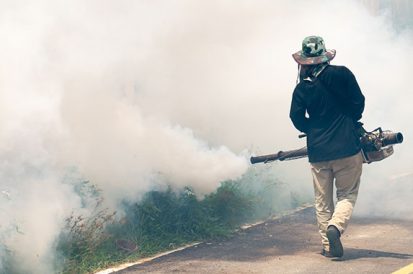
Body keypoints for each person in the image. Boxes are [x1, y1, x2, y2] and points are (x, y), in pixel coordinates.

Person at [289, 36, 365, 258]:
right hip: (347, 147)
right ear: (324, 57)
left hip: (318, 151)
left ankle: (327, 245)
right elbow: (358, 102)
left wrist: (311, 129)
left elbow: (295, 117)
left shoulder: (302, 88)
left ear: (304, 61)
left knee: (322, 201)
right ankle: (336, 228)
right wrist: (350, 120)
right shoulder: (342, 74)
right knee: (347, 195)